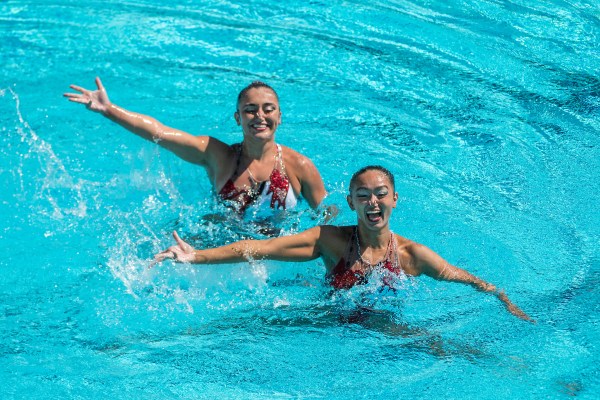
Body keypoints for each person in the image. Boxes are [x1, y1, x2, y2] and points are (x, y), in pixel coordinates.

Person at [153, 165, 534, 321]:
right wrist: (197, 256)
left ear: (395, 199)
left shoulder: (412, 255)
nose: (373, 203)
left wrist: (501, 297)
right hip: (323, 319)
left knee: (431, 344)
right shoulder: (330, 241)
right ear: (351, 203)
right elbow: (257, 248)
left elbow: (463, 278)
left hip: (383, 326)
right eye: (363, 196)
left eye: (381, 194)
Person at [64, 78, 328, 215]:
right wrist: (109, 110)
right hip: (220, 247)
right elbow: (161, 133)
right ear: (238, 118)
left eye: (268, 110)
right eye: (250, 110)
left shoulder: (299, 167)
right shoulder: (217, 155)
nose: (260, 116)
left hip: (273, 256)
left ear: (279, 117)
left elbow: (328, 217)